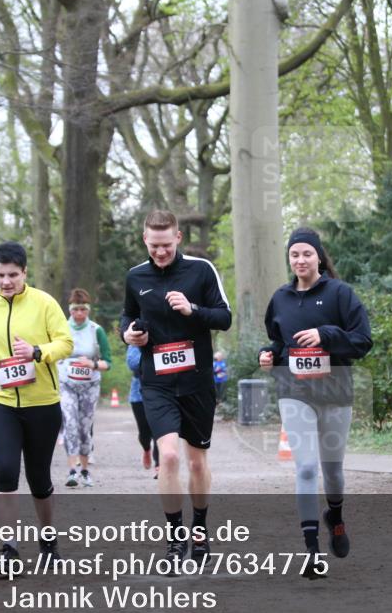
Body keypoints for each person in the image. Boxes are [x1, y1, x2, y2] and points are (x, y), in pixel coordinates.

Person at [259, 227, 372, 579]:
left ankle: (335, 517)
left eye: (307, 253)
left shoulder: (340, 294)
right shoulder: (280, 299)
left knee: (333, 471)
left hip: (335, 393)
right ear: (289, 259)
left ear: (319, 256)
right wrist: (267, 354)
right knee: (306, 467)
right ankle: (311, 551)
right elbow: (277, 344)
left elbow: (362, 341)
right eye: (294, 255)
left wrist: (326, 335)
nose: (300, 260)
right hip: (295, 392)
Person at [121, 210, 231, 571]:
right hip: (157, 382)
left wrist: (193, 309)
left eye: (166, 245)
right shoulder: (136, 276)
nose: (161, 253)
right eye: (154, 246)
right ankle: (174, 540)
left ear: (178, 238)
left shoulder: (201, 270)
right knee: (167, 457)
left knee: (196, 461)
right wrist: (129, 334)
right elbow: (127, 317)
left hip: (197, 381)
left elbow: (224, 317)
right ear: (144, 241)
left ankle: (199, 531)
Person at [0, 241, 73, 574]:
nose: (6, 281)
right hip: (1, 401)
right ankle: (8, 549)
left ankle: (48, 541)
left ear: (25, 272)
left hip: (42, 403)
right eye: (0, 275)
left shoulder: (44, 303)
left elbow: (65, 343)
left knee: (39, 478)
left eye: (12, 275)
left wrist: (37, 352)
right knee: (6, 471)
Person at [57, 288, 112, 488]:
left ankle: (86, 470)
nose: (79, 314)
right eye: (75, 309)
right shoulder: (61, 328)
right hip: (67, 385)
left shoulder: (96, 330)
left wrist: (93, 364)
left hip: (89, 386)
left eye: (83, 309)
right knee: (70, 423)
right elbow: (53, 353)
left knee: (84, 429)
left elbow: (108, 362)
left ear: (88, 310)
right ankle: (72, 471)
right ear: (69, 310)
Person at [127, 344, 159, 477]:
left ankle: (159, 464)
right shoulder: (137, 339)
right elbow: (133, 363)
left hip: (161, 391)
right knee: (144, 432)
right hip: (138, 394)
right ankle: (146, 448)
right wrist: (156, 357)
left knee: (160, 431)